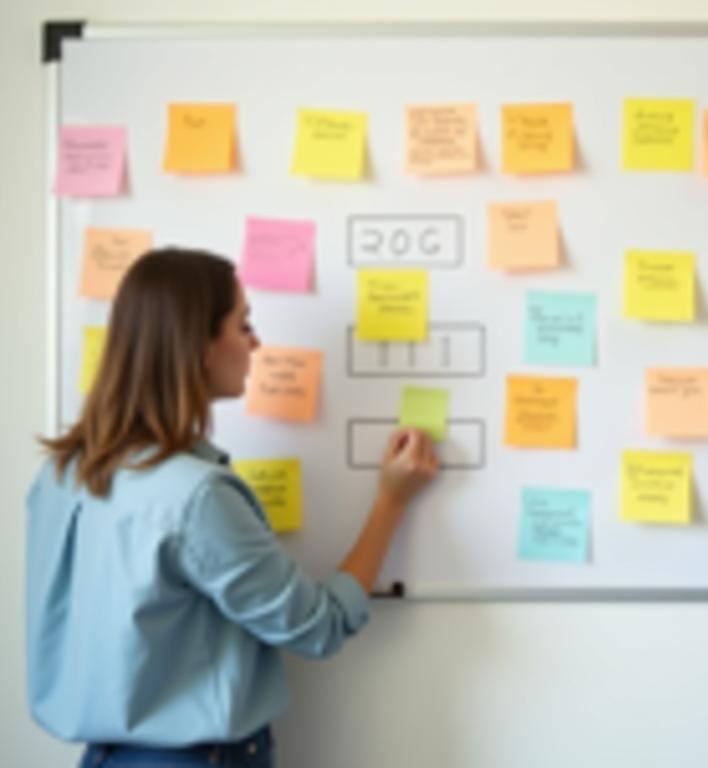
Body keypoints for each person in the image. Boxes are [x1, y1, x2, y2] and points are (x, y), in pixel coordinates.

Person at [26, 248, 439, 767]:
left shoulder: (60, 475)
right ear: (199, 346)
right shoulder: (196, 496)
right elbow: (318, 627)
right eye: (243, 325)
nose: (256, 343)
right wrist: (390, 502)